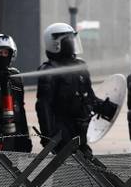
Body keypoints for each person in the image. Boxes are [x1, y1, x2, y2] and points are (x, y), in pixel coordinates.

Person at [35, 22, 117, 157]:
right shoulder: (49, 71)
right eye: (69, 41)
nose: (73, 44)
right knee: (68, 174)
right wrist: (50, 137)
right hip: (62, 133)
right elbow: (44, 107)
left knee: (89, 169)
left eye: (73, 40)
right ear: (56, 44)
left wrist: (107, 108)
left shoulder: (80, 66)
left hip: (82, 130)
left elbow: (89, 97)